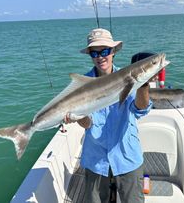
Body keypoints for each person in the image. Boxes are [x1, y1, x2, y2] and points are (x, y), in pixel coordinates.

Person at [65, 28, 155, 203]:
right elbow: (87, 124)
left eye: (105, 51)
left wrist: (143, 84)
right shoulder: (83, 84)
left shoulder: (130, 76)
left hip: (126, 155)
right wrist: (76, 117)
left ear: (113, 51)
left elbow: (140, 110)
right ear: (90, 55)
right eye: (94, 52)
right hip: (96, 159)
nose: (100, 57)